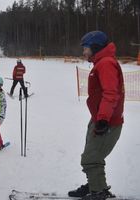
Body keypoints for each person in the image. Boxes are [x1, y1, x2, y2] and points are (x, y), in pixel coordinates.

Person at [68, 31, 125, 200]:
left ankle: (98, 192)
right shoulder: (101, 63)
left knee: (91, 158)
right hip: (100, 118)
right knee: (93, 155)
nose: (84, 52)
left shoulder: (106, 63)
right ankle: (94, 184)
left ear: (95, 47)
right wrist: (98, 118)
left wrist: (102, 120)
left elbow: (110, 93)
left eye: (85, 48)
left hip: (107, 121)